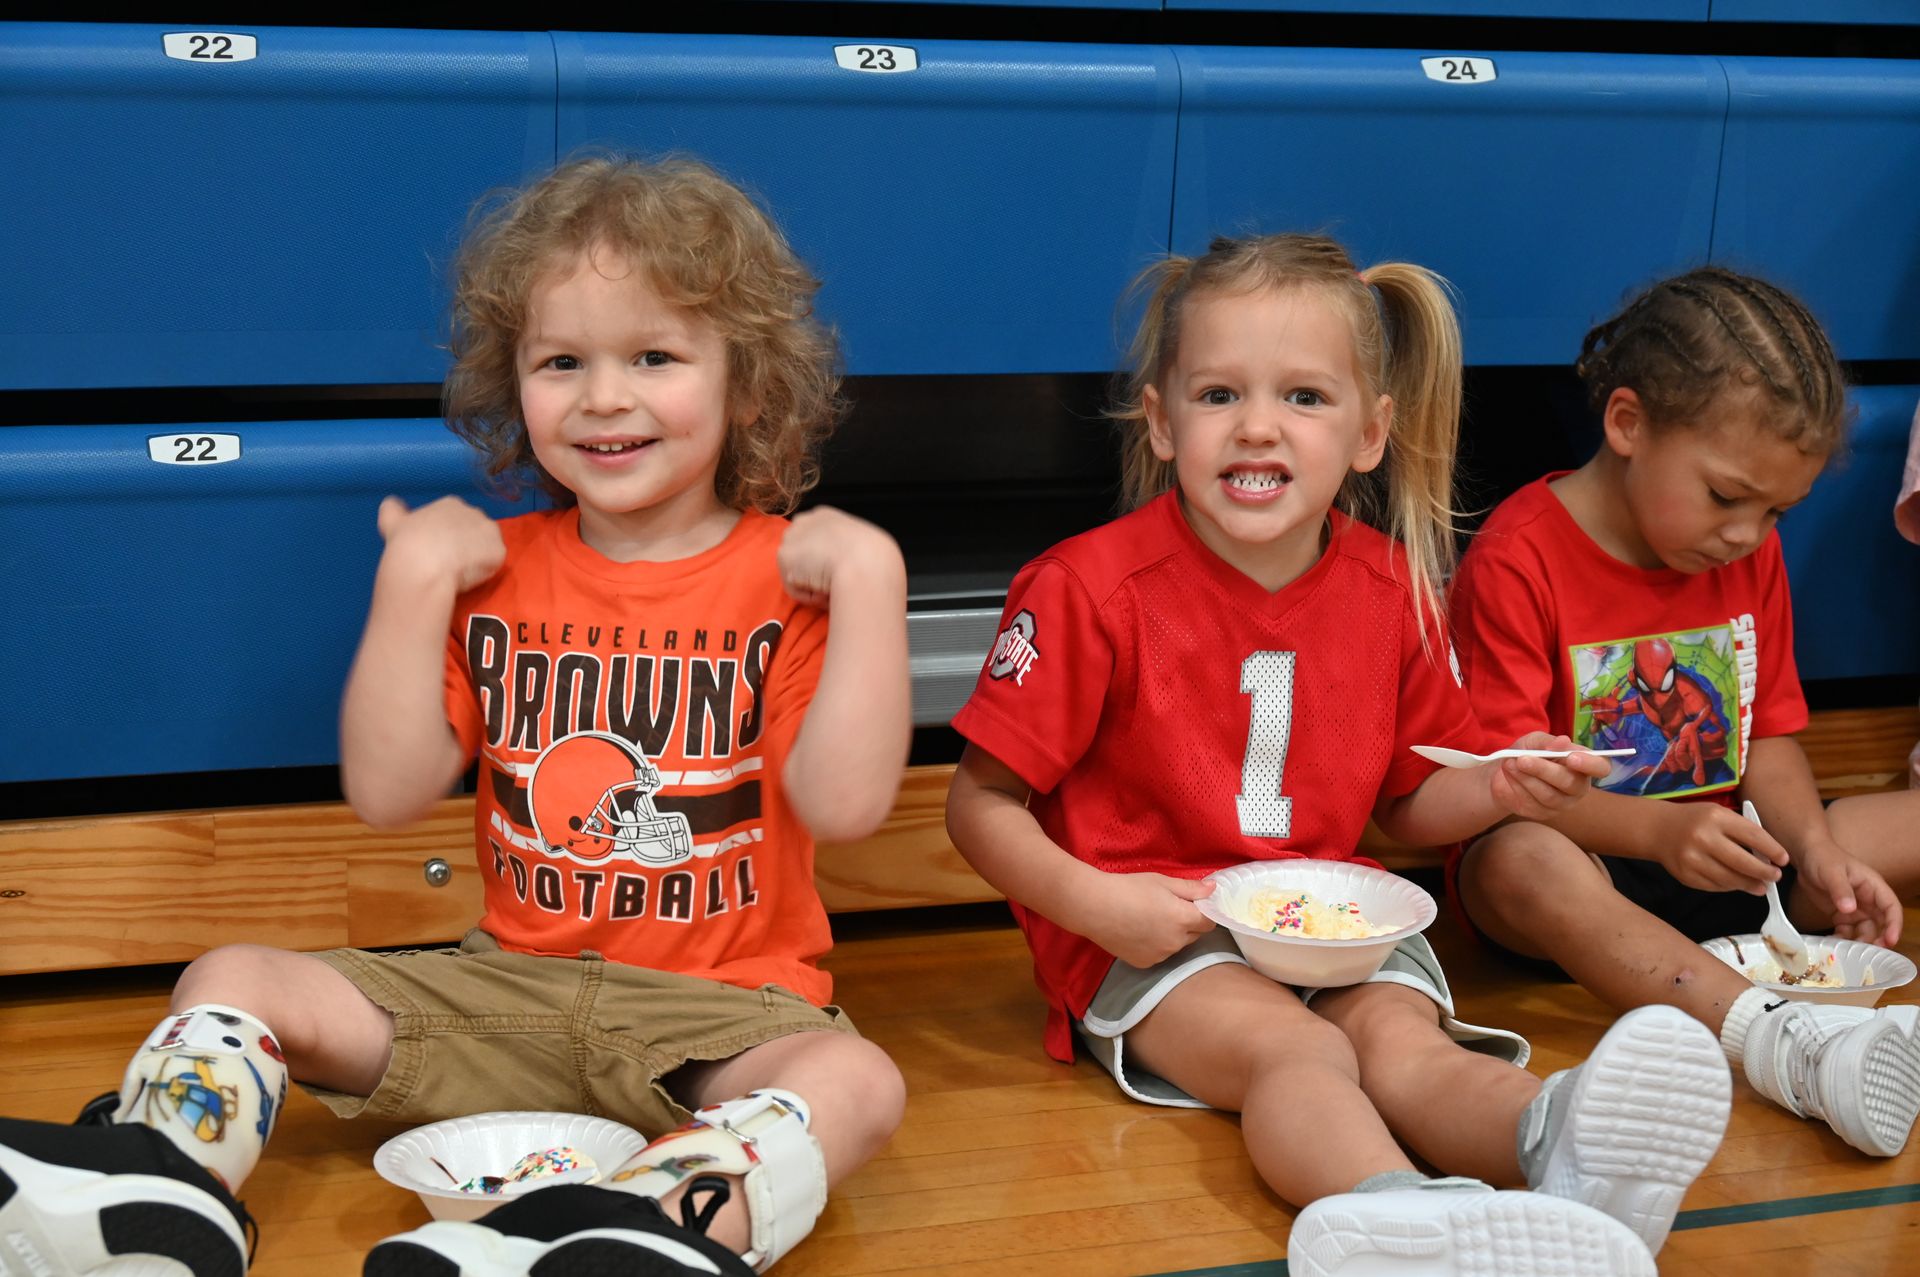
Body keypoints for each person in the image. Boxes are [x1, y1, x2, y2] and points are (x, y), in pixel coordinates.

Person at [0, 155, 911, 1277]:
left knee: (859, 1083)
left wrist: (872, 584)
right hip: (501, 992)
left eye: (655, 357)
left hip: (718, 1019)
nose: (604, 396)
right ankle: (157, 1185)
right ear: (513, 380)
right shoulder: (493, 570)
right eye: (561, 361)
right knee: (231, 970)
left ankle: (626, 1235)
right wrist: (410, 586)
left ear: (750, 388)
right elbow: (388, 790)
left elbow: (846, 802)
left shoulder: (792, 578)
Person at [944, 232, 1731, 1277]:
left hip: (1333, 918)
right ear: (1162, 419)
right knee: (1300, 1050)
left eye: (1304, 398)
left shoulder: (1392, 587)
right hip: (1155, 932)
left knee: (1408, 1048)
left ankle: (1563, 1141)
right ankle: (1396, 1220)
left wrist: (1498, 783)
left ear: (1370, 433)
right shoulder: (1088, 590)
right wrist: (1098, 904)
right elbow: (978, 803)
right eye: (1219, 393)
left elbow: (1405, 806)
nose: (1258, 425)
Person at [1448, 265, 1920, 1160]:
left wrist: (1817, 855)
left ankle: (1760, 954)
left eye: (1778, 510)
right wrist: (1661, 836)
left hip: (1738, 864)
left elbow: (1768, 733)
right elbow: (1507, 786)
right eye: (1727, 496)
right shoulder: (1519, 558)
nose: (1746, 532)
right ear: (1626, 424)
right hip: (1583, 865)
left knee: (1864, 833)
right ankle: (1775, 1035)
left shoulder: (1747, 555)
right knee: (1516, 861)